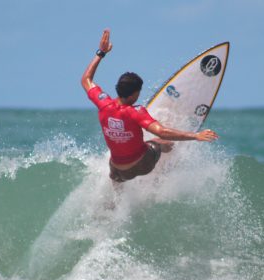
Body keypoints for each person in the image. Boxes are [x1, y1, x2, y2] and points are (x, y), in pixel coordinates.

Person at [81, 29, 220, 183]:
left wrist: (100, 52)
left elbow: (86, 79)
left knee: (115, 171)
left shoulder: (103, 103)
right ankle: (167, 168)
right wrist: (195, 136)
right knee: (160, 143)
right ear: (134, 94)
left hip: (118, 169)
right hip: (142, 165)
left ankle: (114, 202)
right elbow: (162, 132)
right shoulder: (135, 112)